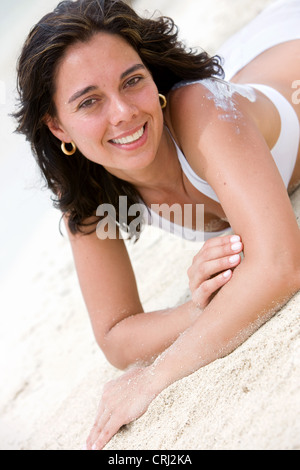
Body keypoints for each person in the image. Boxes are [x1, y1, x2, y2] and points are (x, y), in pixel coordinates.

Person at [14, 0, 300, 450]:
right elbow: (115, 336)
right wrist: (193, 311)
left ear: (151, 77)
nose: (124, 112)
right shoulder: (90, 198)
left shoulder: (199, 108)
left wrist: (155, 377)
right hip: (252, 63)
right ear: (57, 126)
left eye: (133, 80)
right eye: (89, 101)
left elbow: (281, 264)